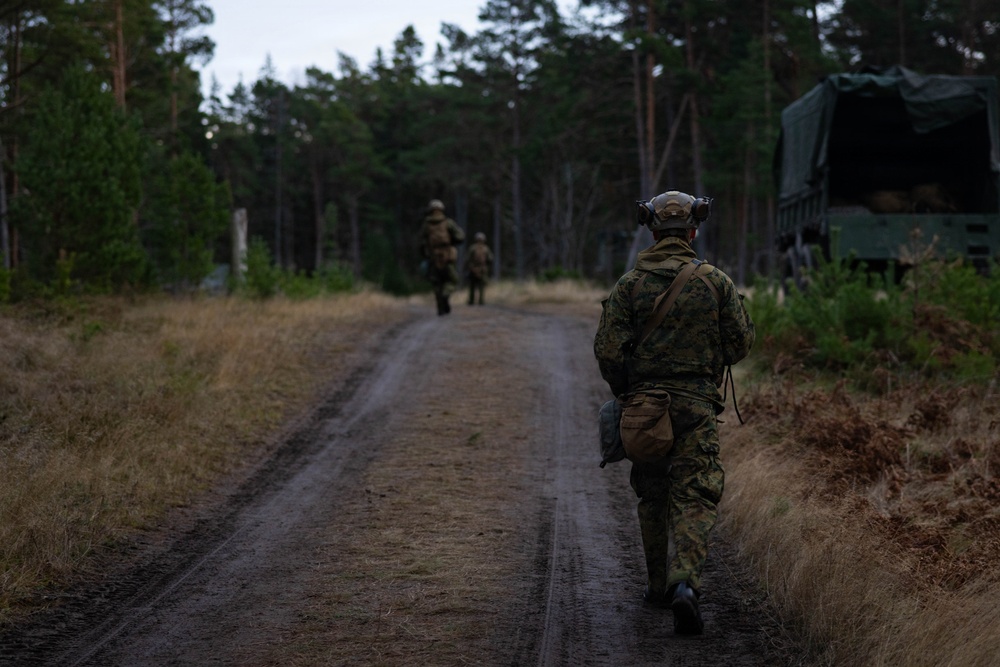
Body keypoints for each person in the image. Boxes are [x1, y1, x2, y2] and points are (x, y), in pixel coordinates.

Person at [593, 190, 755, 635]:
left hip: (646, 408)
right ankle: (685, 584)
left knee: (653, 493)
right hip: (698, 407)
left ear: (651, 231)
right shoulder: (716, 282)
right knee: (695, 494)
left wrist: (628, 392)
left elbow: (608, 351)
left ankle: (656, 587)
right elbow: (740, 344)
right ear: (693, 232)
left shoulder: (629, 285)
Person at [419, 199, 465, 315]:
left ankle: (440, 309)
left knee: (437, 283)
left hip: (433, 258)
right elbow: (460, 237)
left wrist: (425, 255)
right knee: (453, 280)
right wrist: (452, 241)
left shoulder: (426, 225)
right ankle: (446, 294)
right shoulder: (448, 223)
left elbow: (421, 243)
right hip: (448, 257)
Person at [464, 232, 494, 305]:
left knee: (472, 286)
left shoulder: (472, 248)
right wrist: (486, 266)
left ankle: (471, 301)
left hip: (473, 269)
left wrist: (469, 267)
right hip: (482, 269)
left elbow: (467, 259)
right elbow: (490, 259)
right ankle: (481, 301)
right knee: (481, 287)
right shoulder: (486, 249)